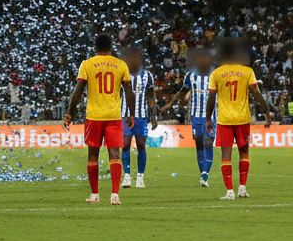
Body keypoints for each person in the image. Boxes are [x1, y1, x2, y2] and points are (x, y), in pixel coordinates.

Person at [64, 34, 135, 205]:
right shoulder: (121, 65)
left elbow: (78, 90)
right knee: (115, 154)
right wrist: (131, 113)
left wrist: (70, 113)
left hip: (94, 116)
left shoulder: (87, 64)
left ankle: (95, 194)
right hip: (113, 116)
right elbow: (128, 91)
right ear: (111, 47)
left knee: (93, 155)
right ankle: (115, 195)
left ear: (95, 48)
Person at [206, 37, 273, 199]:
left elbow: (211, 99)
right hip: (243, 118)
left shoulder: (216, 73)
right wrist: (266, 111)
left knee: (226, 155)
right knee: (244, 153)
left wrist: (208, 118)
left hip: (224, 120)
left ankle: (230, 192)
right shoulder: (247, 72)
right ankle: (242, 188)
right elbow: (256, 94)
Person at [161, 47, 215, 186]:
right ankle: (203, 174)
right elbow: (182, 91)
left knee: (208, 143)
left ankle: (205, 174)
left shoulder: (214, 75)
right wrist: (170, 103)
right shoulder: (191, 76)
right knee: (199, 144)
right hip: (196, 115)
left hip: (211, 116)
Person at [121, 46, 156, 189]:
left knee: (141, 145)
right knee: (125, 145)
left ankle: (140, 177)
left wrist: (153, 116)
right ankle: (127, 176)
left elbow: (151, 96)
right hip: (124, 115)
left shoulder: (147, 75)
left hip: (141, 116)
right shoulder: (122, 74)